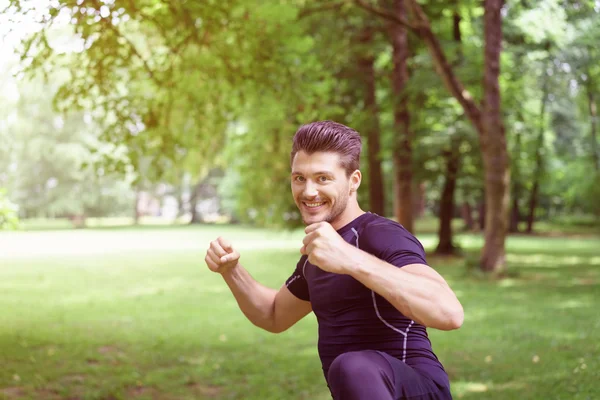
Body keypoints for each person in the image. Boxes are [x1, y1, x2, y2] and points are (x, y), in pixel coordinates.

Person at [205, 121, 464, 400]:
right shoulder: (318, 254)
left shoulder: (381, 234)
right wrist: (232, 271)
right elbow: (274, 314)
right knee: (348, 368)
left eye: (323, 178)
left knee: (351, 366)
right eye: (299, 178)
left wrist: (350, 259)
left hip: (417, 390)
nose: (308, 192)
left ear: (353, 181)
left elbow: (449, 313)